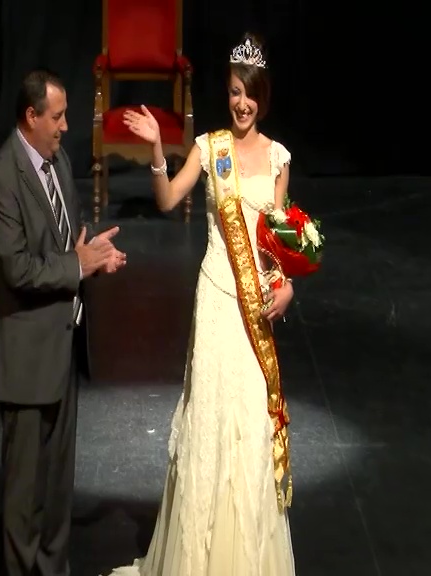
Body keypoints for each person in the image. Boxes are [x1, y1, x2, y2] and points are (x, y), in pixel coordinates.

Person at [107, 33, 296, 575]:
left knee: (249, 426)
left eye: (250, 95)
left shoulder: (278, 159)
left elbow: (275, 243)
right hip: (216, 298)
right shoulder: (210, 148)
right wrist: (156, 152)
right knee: (212, 419)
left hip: (254, 307)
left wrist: (285, 287)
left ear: (263, 98)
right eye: (235, 92)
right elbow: (167, 200)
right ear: (227, 92)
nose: (241, 104)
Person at [0, 69, 127, 576]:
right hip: (26, 360)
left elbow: (69, 242)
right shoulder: (3, 179)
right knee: (24, 495)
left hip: (64, 345)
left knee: (59, 482)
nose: (67, 126)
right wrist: (76, 265)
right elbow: (17, 267)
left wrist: (94, 258)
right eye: (58, 116)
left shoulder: (58, 161)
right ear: (31, 117)